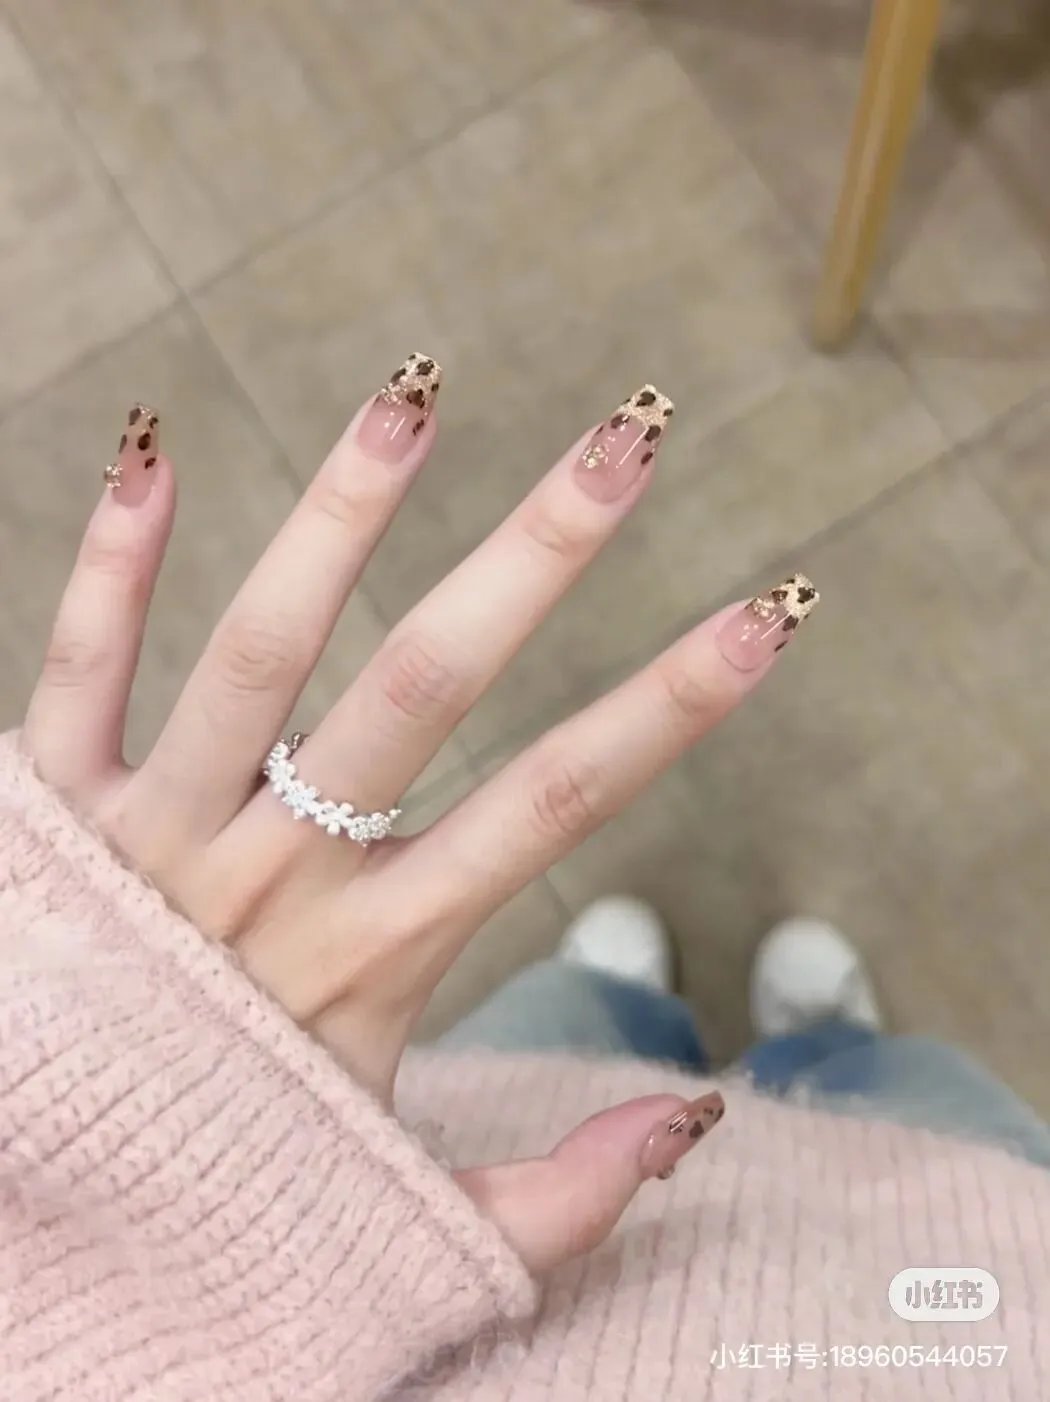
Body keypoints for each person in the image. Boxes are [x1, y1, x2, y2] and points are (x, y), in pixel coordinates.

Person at [2, 360, 1046, 1401]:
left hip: (475, 1120)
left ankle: (628, 1003)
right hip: (972, 1285)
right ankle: (830, 1046)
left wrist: (79, 1048)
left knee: (569, 1019)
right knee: (909, 1089)